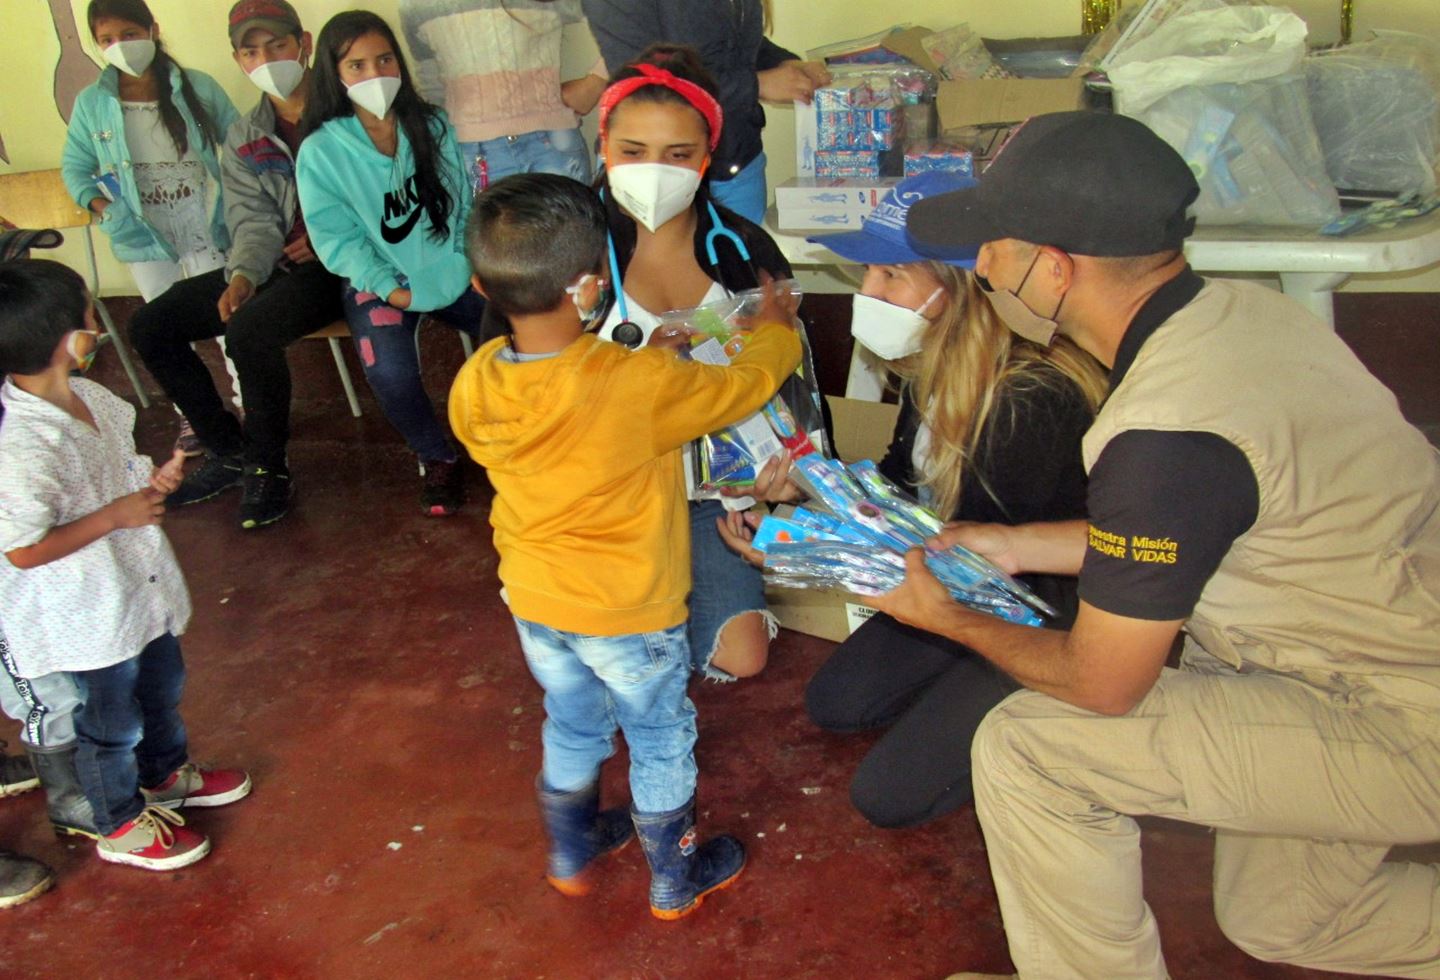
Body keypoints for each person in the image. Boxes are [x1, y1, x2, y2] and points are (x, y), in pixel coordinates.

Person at [875, 111, 1440, 978]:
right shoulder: (1246, 319)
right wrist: (1019, 545)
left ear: (1054, 270)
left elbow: (1103, 684)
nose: (980, 267)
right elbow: (1201, 515)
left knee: (1034, 749)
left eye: (992, 245)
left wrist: (953, 620)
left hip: (1399, 717)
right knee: (1281, 918)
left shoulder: (1166, 436)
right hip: (1379, 650)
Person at [450, 172, 801, 918]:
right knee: (660, 732)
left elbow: (572, 411)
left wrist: (653, 363)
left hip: (538, 603)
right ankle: (675, 877)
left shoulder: (476, 381)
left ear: (483, 285)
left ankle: (572, 850)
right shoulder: (633, 384)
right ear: (589, 285)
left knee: (573, 720)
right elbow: (738, 389)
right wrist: (776, 331)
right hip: (630, 611)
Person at [724, 172, 1108, 829]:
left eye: (890, 276)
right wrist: (809, 487)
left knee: (889, 797)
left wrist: (797, 552)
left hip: (1039, 614)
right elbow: (904, 490)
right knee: (835, 703)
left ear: (961, 287)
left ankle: (1052, 710)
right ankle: (962, 688)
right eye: (869, 274)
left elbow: (974, 566)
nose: (867, 294)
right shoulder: (936, 366)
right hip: (957, 581)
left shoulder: (1028, 399)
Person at [0, 259, 252, 872]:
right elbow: (24, 549)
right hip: (86, 614)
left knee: (161, 688)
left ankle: (164, 776)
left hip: (134, 588)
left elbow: (116, 471)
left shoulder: (91, 396)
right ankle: (117, 821)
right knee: (109, 722)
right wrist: (115, 516)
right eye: (90, 313)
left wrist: (150, 480)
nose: (99, 323)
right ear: (72, 340)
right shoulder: (23, 446)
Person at [589, 45, 820, 682]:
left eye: (678, 154)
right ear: (602, 144)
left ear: (708, 156)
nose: (653, 170)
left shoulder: (744, 250)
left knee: (740, 658)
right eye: (632, 151)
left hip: (711, 494)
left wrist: (784, 478)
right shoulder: (568, 248)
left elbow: (792, 387)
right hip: (607, 497)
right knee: (613, 655)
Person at [129, 0, 344, 531]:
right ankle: (228, 452)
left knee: (249, 331)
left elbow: (383, 196)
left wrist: (328, 242)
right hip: (275, 265)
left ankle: (269, 466)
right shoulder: (246, 133)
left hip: (343, 267)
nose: (266, 59)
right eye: (251, 51)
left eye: (277, 45)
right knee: (151, 325)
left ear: (305, 44)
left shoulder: (349, 110)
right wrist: (244, 274)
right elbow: (251, 219)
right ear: (238, 60)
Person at [297, 10, 485, 517]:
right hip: (382, 282)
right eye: (356, 65)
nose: (375, 74)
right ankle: (437, 457)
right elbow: (337, 239)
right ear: (335, 75)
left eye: (384, 59)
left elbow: (464, 204)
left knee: (512, 327)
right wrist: (390, 287)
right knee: (390, 372)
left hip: (452, 264)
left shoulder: (432, 125)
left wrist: (463, 265)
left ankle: (508, 439)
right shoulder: (320, 151)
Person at [61, 0, 241, 456]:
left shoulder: (195, 87)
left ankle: (250, 406)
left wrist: (242, 202)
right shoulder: (93, 103)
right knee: (164, 326)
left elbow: (240, 142)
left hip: (205, 221)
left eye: (129, 34)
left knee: (229, 319)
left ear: (153, 29)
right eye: (106, 40)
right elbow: (75, 168)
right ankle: (195, 419)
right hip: (141, 232)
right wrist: (107, 208)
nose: (119, 47)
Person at [582, 0, 829, 221]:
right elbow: (645, 79)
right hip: (657, 171)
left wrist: (784, 62)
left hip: (739, 163)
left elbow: (730, 42)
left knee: (742, 268)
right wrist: (757, 84)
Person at [400, 0, 609, 191]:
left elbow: (631, 16)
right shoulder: (414, 5)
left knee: (575, 231)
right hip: (472, 157)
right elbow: (431, 82)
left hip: (551, 145)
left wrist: (595, 82)